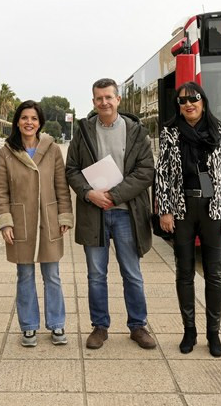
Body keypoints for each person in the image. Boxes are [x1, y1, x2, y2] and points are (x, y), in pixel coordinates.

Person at [66, 78, 157, 350]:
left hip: (127, 213)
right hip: (94, 213)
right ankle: (100, 327)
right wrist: (88, 193)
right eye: (98, 98)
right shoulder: (82, 132)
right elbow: (71, 169)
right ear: (93, 102)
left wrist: (115, 196)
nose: (104, 102)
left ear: (117, 99)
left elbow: (146, 171)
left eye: (108, 97)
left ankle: (138, 326)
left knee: (132, 273)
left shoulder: (135, 131)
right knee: (96, 274)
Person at [154, 81, 221, 357]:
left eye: (193, 99)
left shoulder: (218, 129)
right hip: (182, 210)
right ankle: (189, 331)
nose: (188, 104)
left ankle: (213, 334)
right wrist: (164, 209)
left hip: (213, 209)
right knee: (184, 272)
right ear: (178, 106)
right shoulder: (170, 132)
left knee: (215, 273)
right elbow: (163, 174)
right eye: (182, 101)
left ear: (203, 101)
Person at [0, 100, 74, 347]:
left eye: (34, 118)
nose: (29, 122)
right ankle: (28, 326)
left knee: (53, 275)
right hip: (21, 221)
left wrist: (64, 215)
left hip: (48, 219)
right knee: (24, 274)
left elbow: (61, 186)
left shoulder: (51, 149)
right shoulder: (6, 151)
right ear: (17, 121)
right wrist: (5, 222)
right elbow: (0, 190)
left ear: (40, 122)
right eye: (25, 118)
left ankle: (57, 323)